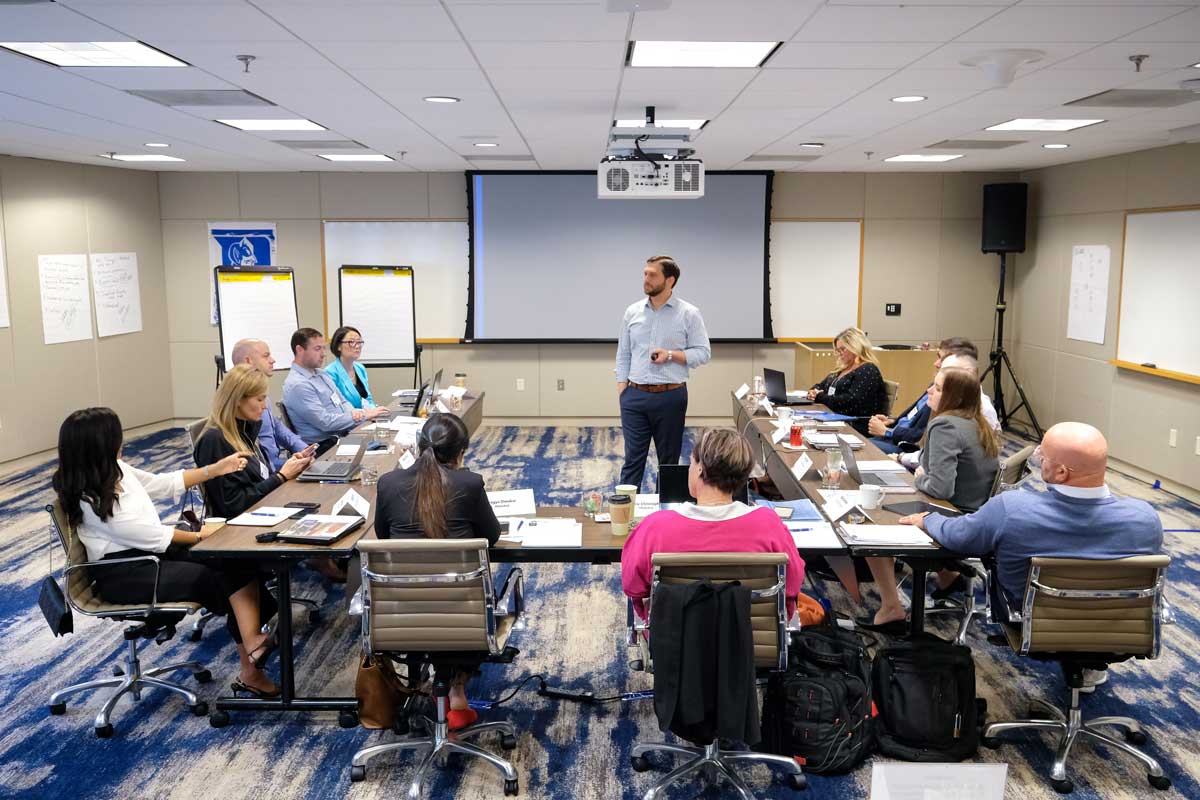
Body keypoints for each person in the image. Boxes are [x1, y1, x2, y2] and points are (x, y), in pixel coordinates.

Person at [900, 422, 1163, 686]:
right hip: (1118, 629)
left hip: (1034, 624)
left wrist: (929, 520)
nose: (1038, 460)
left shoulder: (1012, 509)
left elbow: (959, 537)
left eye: (1043, 456)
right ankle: (1089, 668)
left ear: (1061, 472)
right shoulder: (1145, 518)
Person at [52, 407, 280, 697]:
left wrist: (215, 469)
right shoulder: (88, 495)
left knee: (231, 558)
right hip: (124, 573)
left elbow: (161, 483)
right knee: (218, 575)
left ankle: (252, 649)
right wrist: (199, 535)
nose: (122, 442)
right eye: (116, 438)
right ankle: (253, 660)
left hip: (150, 557)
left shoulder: (114, 469)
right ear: (99, 446)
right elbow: (149, 535)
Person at [373, 413, 502, 729]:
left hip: (399, 615)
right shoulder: (469, 484)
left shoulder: (388, 483)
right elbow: (493, 536)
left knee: (429, 591)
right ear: (461, 453)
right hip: (463, 618)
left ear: (418, 447)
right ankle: (456, 690)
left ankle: (436, 683)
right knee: (459, 594)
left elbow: (382, 535)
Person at [860, 366, 1000, 632]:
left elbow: (940, 488)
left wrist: (919, 478)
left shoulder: (944, 424)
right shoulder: (977, 422)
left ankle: (891, 607)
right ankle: (948, 576)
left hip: (952, 514)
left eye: (936, 388)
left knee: (872, 523)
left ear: (953, 396)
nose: (928, 392)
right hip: (975, 513)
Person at [622, 429, 805, 620]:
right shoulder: (770, 524)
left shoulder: (655, 527)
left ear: (700, 468)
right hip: (752, 641)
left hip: (675, 642)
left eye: (691, 461)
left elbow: (632, 586)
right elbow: (792, 585)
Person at [615, 255, 711, 490]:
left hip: (671, 396)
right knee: (632, 461)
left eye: (652, 275)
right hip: (634, 396)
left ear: (670, 281)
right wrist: (622, 390)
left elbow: (703, 353)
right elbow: (623, 353)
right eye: (645, 274)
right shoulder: (632, 312)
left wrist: (671, 355)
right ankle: (625, 515)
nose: (646, 279)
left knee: (668, 463)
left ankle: (664, 517)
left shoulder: (689, 313)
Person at [194, 364, 315, 520]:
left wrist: (291, 467)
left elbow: (260, 478)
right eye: (259, 399)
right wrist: (281, 476)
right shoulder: (215, 441)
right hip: (238, 527)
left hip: (262, 509)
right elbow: (232, 505)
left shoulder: (244, 430)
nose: (264, 406)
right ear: (238, 399)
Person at [867, 337, 977, 454]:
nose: (936, 363)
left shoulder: (956, 396)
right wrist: (892, 422)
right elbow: (913, 416)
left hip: (909, 448)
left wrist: (889, 432)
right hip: (900, 438)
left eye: (942, 359)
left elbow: (926, 436)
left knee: (863, 448)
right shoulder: (934, 386)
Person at [281, 327, 388, 445]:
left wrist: (355, 413)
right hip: (324, 446)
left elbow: (342, 401)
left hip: (343, 434)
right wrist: (364, 415)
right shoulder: (298, 384)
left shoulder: (320, 374)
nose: (323, 354)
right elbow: (325, 422)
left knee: (386, 441)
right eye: (317, 349)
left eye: (323, 348)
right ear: (300, 350)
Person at [230, 337, 309, 472]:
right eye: (266, 356)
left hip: (276, 465)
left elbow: (277, 427)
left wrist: (303, 448)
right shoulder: (240, 402)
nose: (273, 360)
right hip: (265, 470)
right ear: (248, 361)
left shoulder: (260, 395)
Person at [806, 327, 888, 436]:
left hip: (856, 425)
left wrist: (820, 397)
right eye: (838, 350)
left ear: (855, 347)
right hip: (835, 417)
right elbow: (821, 385)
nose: (840, 353)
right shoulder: (843, 368)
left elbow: (851, 401)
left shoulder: (868, 369)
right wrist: (813, 392)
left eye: (843, 349)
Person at [325, 326, 377, 410]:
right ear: (339, 346)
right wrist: (366, 414)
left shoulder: (360, 368)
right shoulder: (330, 373)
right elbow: (337, 407)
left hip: (367, 418)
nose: (357, 346)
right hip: (348, 420)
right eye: (351, 342)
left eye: (359, 342)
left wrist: (375, 411)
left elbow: (368, 399)